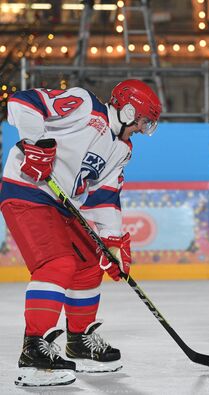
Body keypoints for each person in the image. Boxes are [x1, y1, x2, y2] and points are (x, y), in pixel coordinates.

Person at [1, 80, 162, 387]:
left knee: (90, 260)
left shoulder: (122, 149)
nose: (143, 128)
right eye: (143, 120)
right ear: (128, 111)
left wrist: (111, 242)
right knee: (57, 263)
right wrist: (35, 145)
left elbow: (105, 196)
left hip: (62, 205)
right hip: (27, 192)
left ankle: (79, 341)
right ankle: (34, 349)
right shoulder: (85, 105)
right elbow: (22, 102)